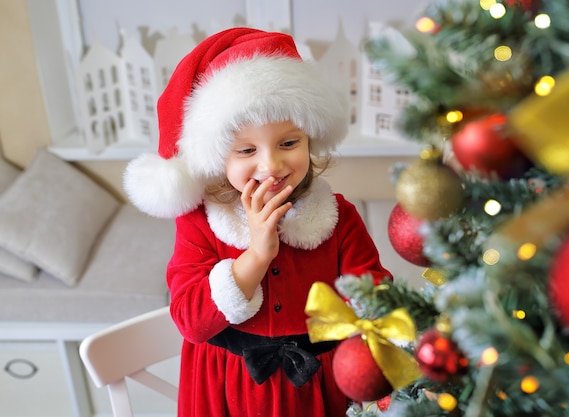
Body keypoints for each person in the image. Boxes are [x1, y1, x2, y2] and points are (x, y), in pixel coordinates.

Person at [123, 27, 392, 417]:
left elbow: (373, 294)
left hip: (318, 386)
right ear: (219, 159)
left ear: (311, 140)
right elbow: (191, 322)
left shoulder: (338, 216)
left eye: (289, 143)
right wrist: (257, 256)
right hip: (226, 387)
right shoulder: (201, 222)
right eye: (247, 150)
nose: (271, 165)